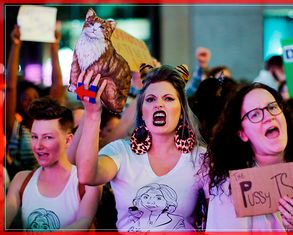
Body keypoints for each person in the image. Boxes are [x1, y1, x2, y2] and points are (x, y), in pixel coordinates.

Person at [75, 65, 207, 232]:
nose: (159, 104)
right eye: (150, 99)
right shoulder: (121, 152)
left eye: (168, 98)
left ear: (181, 111)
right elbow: (88, 175)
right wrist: (93, 115)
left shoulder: (200, 158)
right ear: (142, 113)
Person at [204, 83, 293, 231]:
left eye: (272, 107)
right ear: (242, 134)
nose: (268, 117)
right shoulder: (231, 184)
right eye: (255, 114)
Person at [5, 97, 101, 231]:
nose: (38, 145)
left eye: (47, 137)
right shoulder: (21, 180)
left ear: (68, 140)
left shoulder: (87, 184)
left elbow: (83, 224)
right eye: (34, 137)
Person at [6, 24, 65, 176]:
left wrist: (54, 46)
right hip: (21, 189)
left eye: (34, 98)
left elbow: (57, 86)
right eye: (25, 99)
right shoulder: (14, 128)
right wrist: (16, 44)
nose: (30, 102)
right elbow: (11, 87)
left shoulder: (49, 124)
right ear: (19, 104)